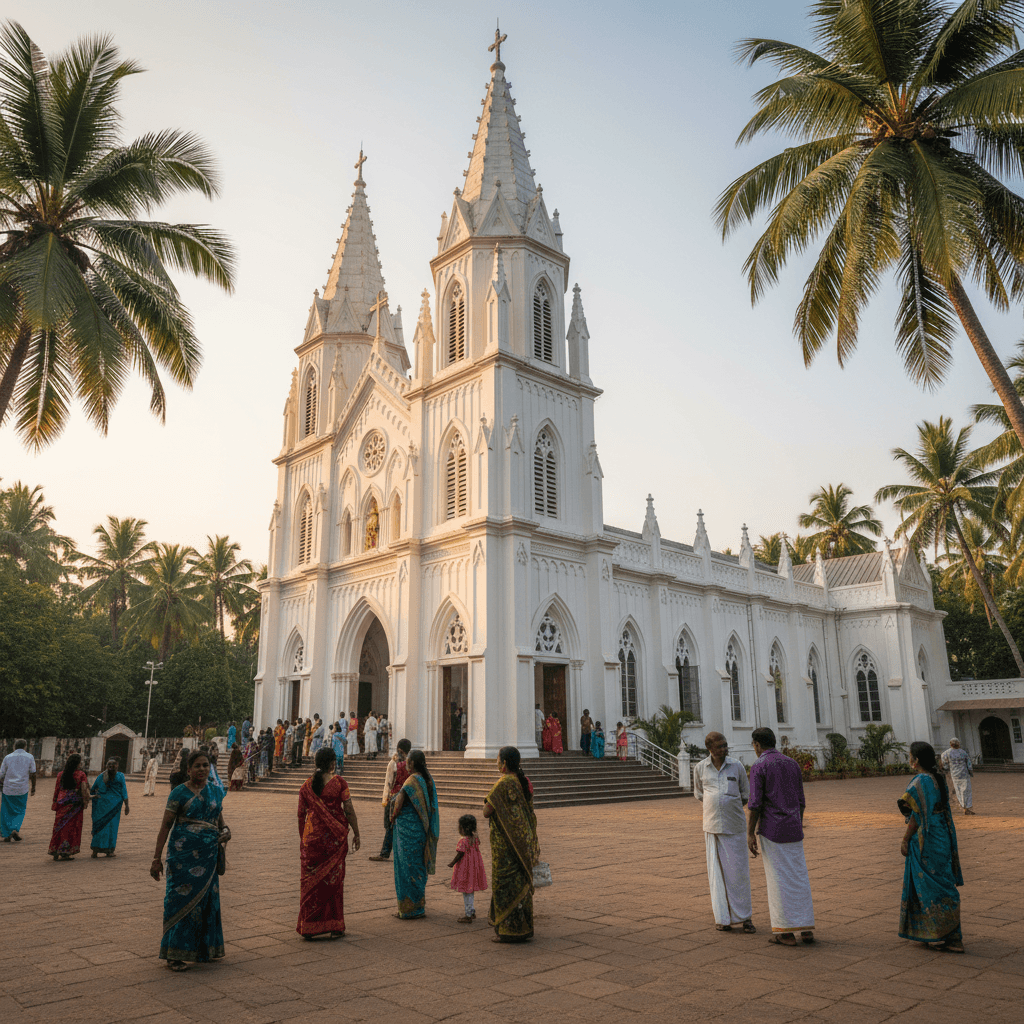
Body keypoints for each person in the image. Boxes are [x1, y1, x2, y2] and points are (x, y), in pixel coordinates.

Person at [151, 750, 230, 971]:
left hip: (208, 856)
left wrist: (226, 832)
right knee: (178, 900)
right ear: (188, 769)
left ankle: (207, 948)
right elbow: (166, 826)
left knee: (207, 901)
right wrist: (156, 858)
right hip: (182, 857)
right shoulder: (179, 793)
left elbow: (220, 822)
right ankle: (174, 953)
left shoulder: (215, 792)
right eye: (197, 766)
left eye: (206, 765)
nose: (202, 769)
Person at [747, 727, 814, 946]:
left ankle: (785, 931)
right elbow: (801, 800)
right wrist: (797, 820)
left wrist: (750, 832)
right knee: (798, 877)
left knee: (778, 879)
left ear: (757, 745)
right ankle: (805, 928)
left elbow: (755, 804)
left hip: (773, 829)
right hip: (793, 828)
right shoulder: (792, 763)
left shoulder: (759, 765)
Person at [899, 741, 964, 952]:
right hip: (941, 835)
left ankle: (934, 932)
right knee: (944, 882)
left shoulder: (919, 782)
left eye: (910, 756)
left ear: (916, 760)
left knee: (927, 885)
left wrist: (905, 839)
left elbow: (916, 816)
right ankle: (953, 935)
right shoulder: (938, 778)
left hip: (925, 838)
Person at [693, 732, 755, 933]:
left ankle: (745, 918)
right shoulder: (701, 768)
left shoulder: (736, 766)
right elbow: (699, 793)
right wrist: (717, 804)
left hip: (735, 826)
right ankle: (723, 918)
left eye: (725, 745)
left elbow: (745, 794)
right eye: (719, 746)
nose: (724, 749)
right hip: (712, 828)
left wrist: (727, 804)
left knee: (738, 873)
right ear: (709, 748)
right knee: (716, 875)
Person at [296, 746, 361, 939]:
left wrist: (304, 839)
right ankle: (335, 925)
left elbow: (300, 815)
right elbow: (348, 809)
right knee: (334, 882)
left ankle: (309, 926)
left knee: (310, 883)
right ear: (333, 763)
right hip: (334, 840)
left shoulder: (306, 786)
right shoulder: (339, 783)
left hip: (312, 841)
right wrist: (356, 832)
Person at [483, 745, 539, 943]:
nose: (497, 762)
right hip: (522, 841)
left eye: (498, 759)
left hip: (506, 846)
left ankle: (508, 930)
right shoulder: (523, 782)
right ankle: (523, 927)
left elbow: (487, 811)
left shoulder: (504, 783)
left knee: (504, 884)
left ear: (504, 763)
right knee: (520, 883)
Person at [391, 749, 439, 919]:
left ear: (412, 763)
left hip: (407, 832)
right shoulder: (428, 779)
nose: (406, 763)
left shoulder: (411, 781)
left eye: (408, 761)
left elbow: (398, 804)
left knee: (406, 868)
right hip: (421, 831)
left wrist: (392, 816)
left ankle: (408, 909)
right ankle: (418, 906)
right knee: (417, 866)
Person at [370, 738, 412, 862]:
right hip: (408, 796)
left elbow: (388, 783)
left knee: (391, 826)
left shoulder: (393, 763)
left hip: (394, 796)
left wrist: (385, 798)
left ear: (398, 749)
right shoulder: (411, 763)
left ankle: (385, 852)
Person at [48, 753, 90, 860]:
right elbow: (84, 790)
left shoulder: (61, 774)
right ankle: (66, 851)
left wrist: (54, 803)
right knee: (71, 827)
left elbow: (57, 789)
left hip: (62, 802)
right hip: (75, 804)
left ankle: (55, 850)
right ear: (78, 763)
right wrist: (86, 802)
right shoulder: (81, 774)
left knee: (59, 827)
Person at [448, 813, 488, 923]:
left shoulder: (463, 841)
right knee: (470, 890)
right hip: (473, 869)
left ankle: (468, 913)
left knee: (467, 891)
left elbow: (460, 854)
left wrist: (452, 863)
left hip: (465, 870)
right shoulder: (475, 838)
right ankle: (472, 910)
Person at [90, 757, 129, 858]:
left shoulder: (101, 776)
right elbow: (124, 791)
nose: (112, 766)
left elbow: (93, 789)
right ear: (107, 766)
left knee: (100, 826)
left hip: (106, 806)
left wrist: (94, 798)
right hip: (111, 806)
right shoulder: (120, 776)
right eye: (110, 765)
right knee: (110, 827)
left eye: (113, 764)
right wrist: (127, 805)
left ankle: (96, 850)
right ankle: (109, 851)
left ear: (117, 765)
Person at [1, 739, 37, 841]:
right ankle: (15, 830)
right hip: (22, 789)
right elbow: (33, 773)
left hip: (8, 789)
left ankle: (7, 833)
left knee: (6, 811)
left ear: (14, 746)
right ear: (25, 746)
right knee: (20, 811)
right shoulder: (30, 757)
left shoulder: (7, 757)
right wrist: (33, 787)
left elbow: (1, 774)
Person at [940, 738, 975, 816]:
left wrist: (946, 768)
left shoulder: (946, 753)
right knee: (966, 791)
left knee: (959, 791)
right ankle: (967, 807)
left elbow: (944, 763)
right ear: (958, 744)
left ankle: (964, 807)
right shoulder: (963, 752)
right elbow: (969, 763)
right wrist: (971, 771)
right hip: (964, 774)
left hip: (955, 775)